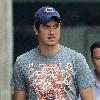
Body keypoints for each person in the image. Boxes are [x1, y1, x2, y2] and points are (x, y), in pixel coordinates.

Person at [11, 6, 94, 100]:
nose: (52, 32)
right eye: (46, 27)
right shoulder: (22, 62)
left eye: (56, 26)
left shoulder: (77, 59)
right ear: (35, 29)